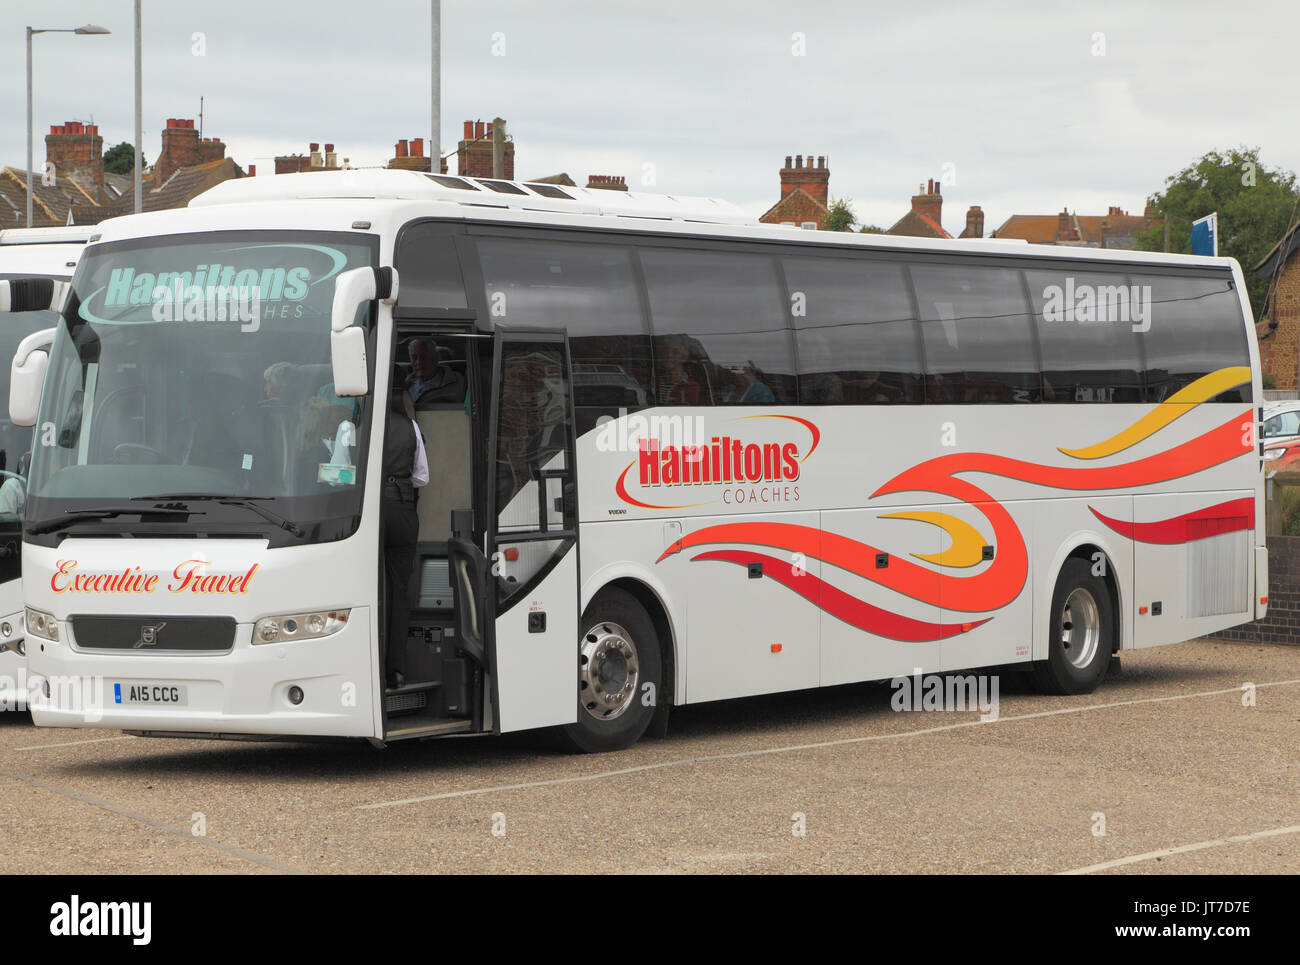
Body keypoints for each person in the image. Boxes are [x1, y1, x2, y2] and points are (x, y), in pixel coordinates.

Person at [380, 378, 429, 689]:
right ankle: (395, 670)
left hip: (372, 516)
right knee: (399, 593)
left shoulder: (357, 425)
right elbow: (422, 478)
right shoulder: (410, 429)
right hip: (403, 513)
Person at [408, 338, 465, 404]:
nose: (418, 362)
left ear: (436, 358)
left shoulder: (457, 382)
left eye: (423, 357)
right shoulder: (406, 383)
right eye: (414, 357)